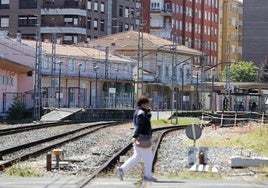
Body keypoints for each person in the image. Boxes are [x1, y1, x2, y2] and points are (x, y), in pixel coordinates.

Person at [117, 96, 157, 182]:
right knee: (149, 157)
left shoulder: (140, 112)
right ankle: (148, 176)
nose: (148, 106)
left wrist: (148, 115)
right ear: (142, 104)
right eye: (146, 104)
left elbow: (143, 123)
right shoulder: (141, 113)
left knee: (137, 157)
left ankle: (122, 169)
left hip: (140, 137)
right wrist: (135, 136)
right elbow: (140, 125)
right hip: (143, 138)